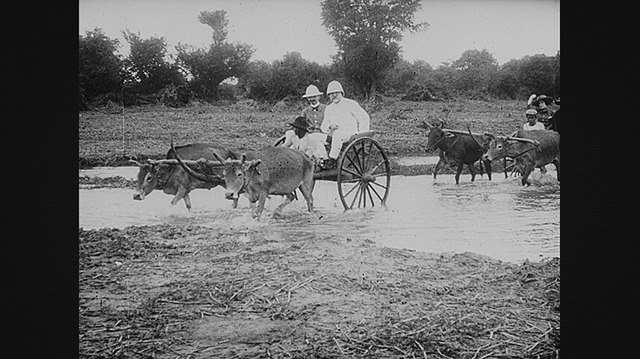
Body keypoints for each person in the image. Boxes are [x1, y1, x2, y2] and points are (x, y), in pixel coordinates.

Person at [321, 81, 370, 168]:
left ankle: (332, 159)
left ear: (342, 93)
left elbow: (364, 117)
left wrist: (362, 133)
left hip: (350, 134)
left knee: (338, 134)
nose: (334, 95)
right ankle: (321, 161)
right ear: (329, 96)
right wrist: (329, 126)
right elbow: (324, 125)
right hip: (333, 135)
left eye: (336, 93)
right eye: (331, 94)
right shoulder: (329, 108)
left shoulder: (350, 104)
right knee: (316, 138)